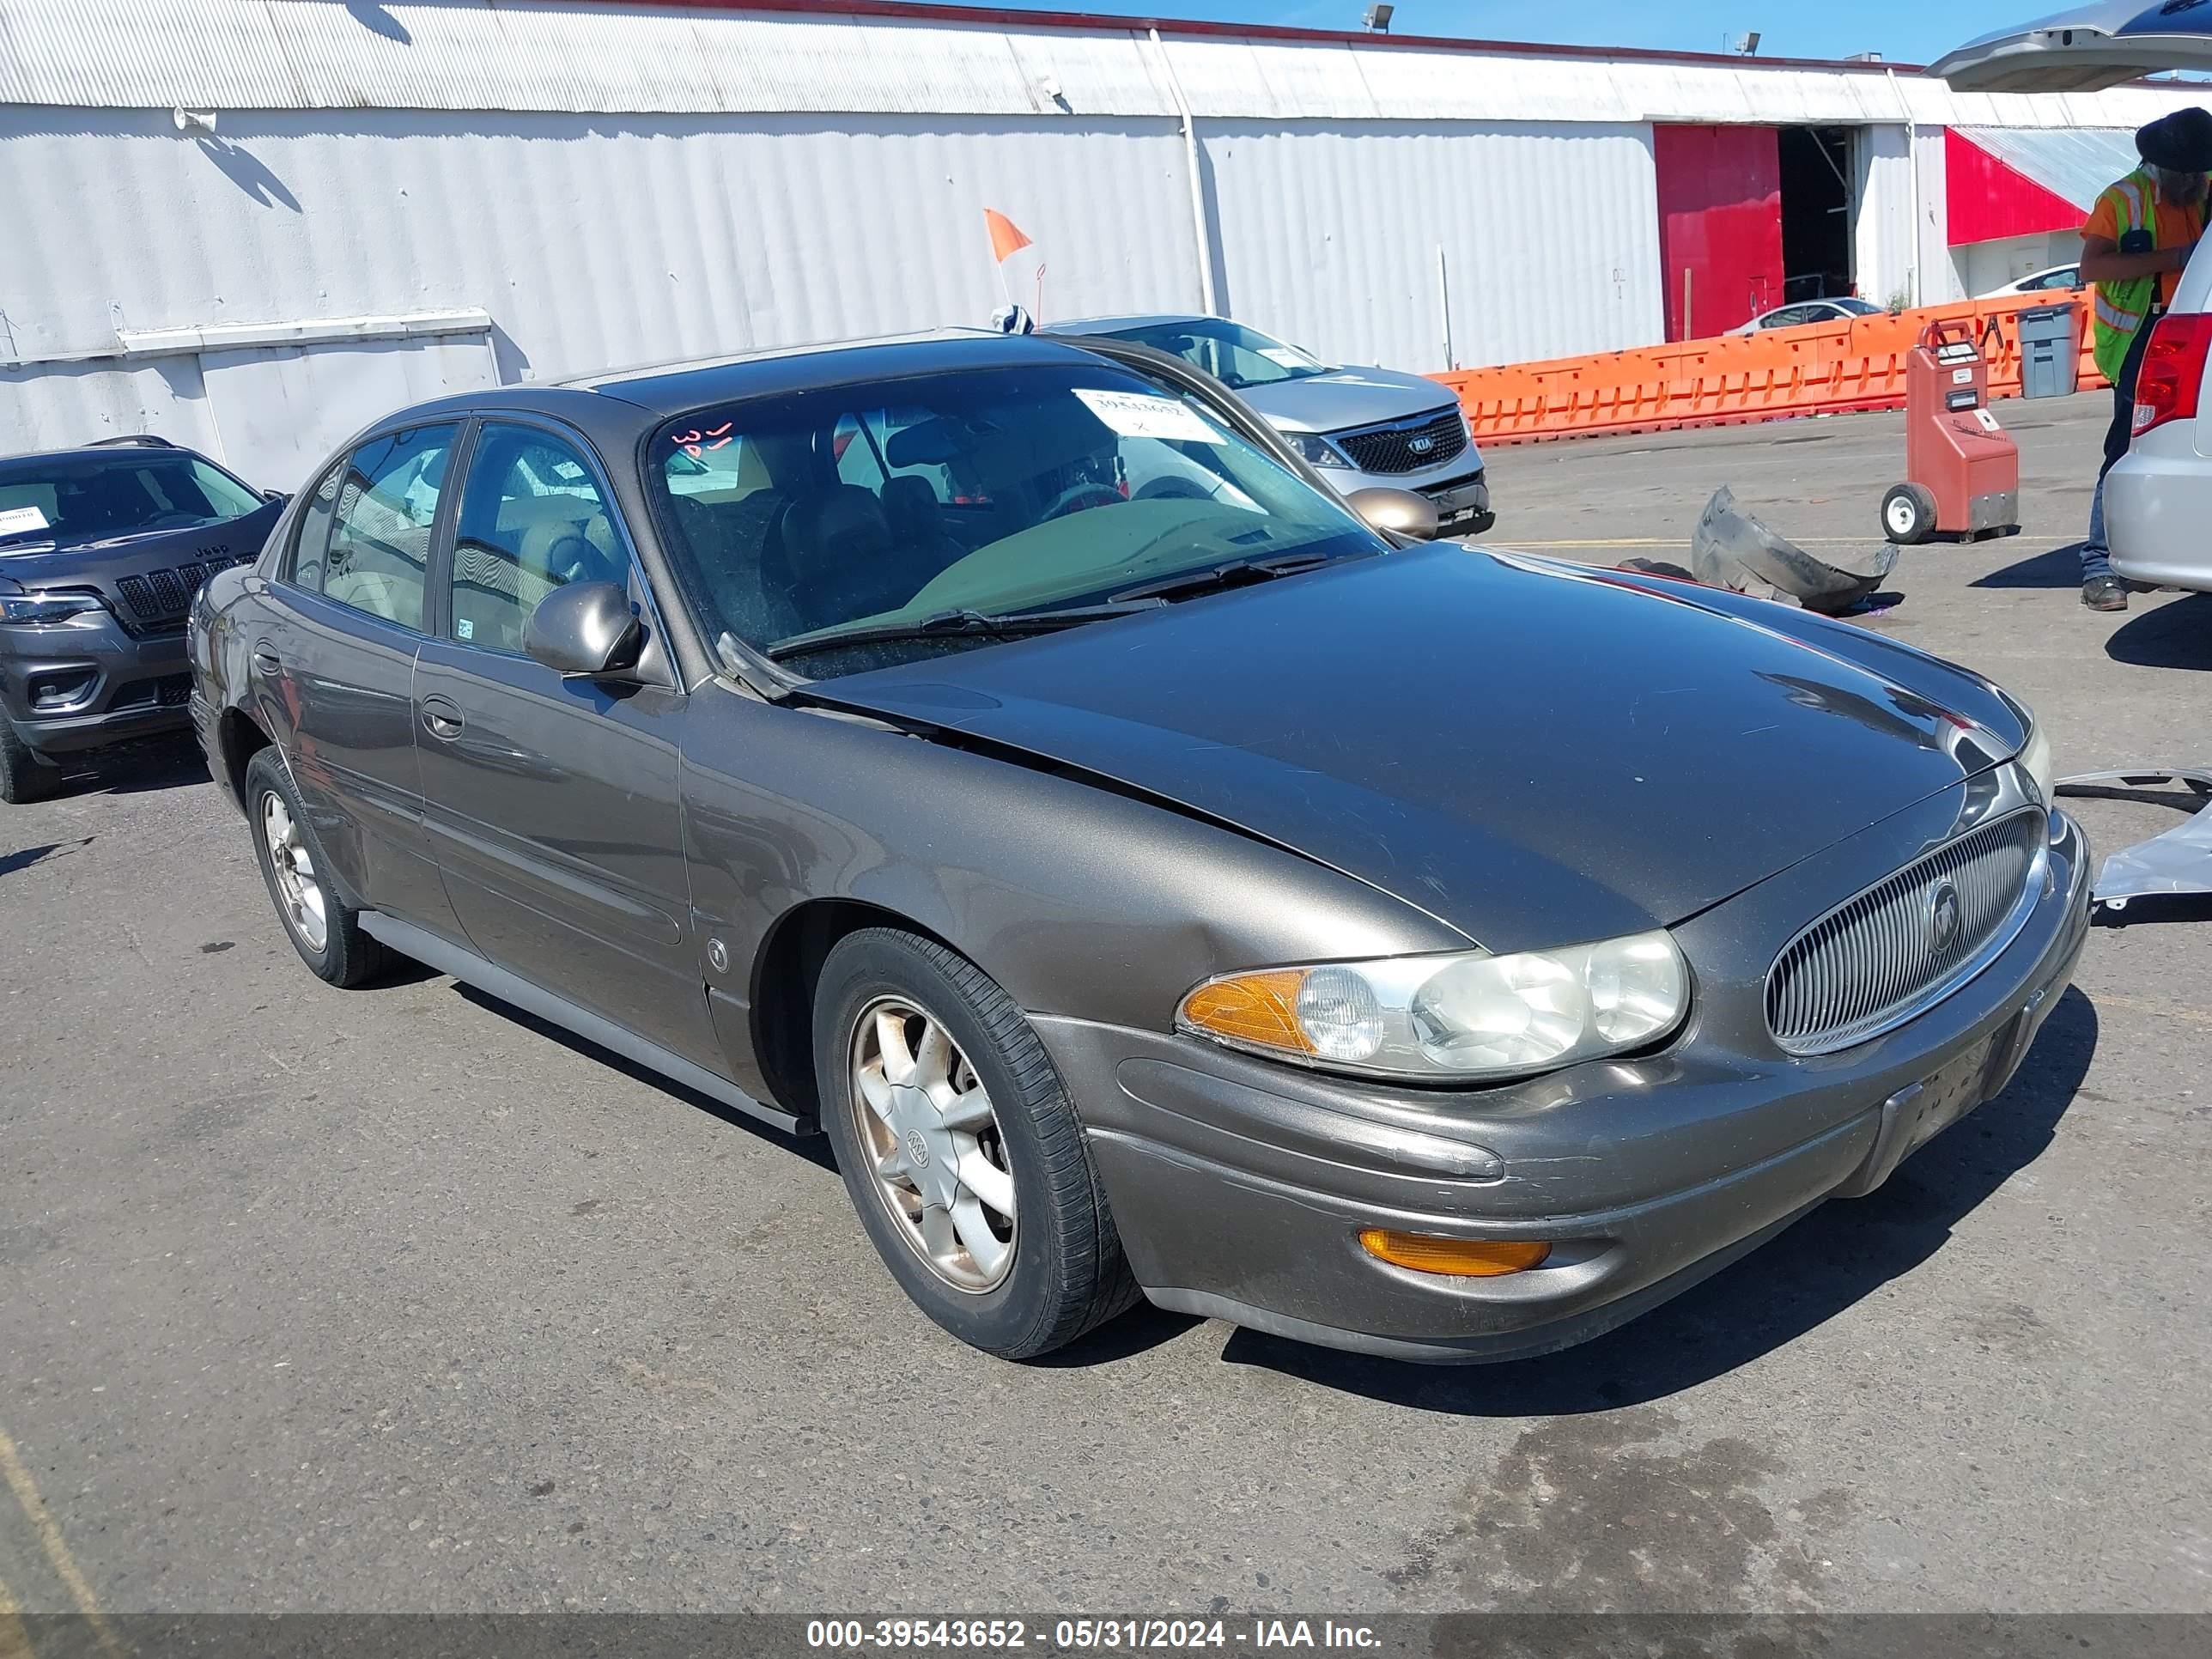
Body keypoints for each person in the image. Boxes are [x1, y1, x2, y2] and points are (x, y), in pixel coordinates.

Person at [2076, 107, 2212, 611]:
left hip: (2193, 326)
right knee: (2127, 448)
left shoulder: (2204, 183)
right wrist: (2175, 258)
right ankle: (2098, 566)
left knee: (2185, 452)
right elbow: (2092, 265)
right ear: (2160, 167)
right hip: (2141, 337)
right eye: (2189, 174)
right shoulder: (2121, 200)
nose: (2197, 181)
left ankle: (2172, 547)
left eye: (2202, 171)